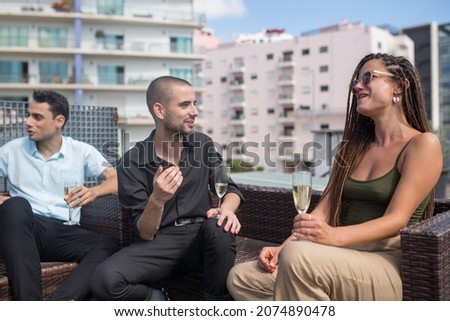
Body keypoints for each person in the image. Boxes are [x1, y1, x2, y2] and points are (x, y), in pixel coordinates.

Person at [227, 52, 442, 300]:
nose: (357, 86)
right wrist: (282, 248)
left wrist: (332, 236)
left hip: (387, 262)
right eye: (355, 82)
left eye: (368, 77)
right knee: (242, 278)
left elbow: (397, 220)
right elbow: (323, 211)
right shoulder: (352, 148)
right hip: (337, 255)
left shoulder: (422, 145)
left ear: (399, 85)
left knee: (298, 259)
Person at [90, 75, 244, 301]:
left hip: (202, 237)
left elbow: (230, 188)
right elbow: (144, 232)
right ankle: (155, 296)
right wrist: (157, 199)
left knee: (220, 228)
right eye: (184, 105)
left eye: (194, 103)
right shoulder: (131, 161)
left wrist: (227, 209)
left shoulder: (203, 144)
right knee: (103, 280)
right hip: (160, 244)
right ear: (160, 111)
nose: (194, 111)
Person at [0, 90, 119, 300]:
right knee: (16, 205)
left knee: (107, 247)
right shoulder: (11, 151)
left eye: (37, 117)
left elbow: (116, 178)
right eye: (28, 115)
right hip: (24, 227)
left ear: (59, 121)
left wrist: (94, 191)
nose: (28, 122)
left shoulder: (81, 151)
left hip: (62, 231)